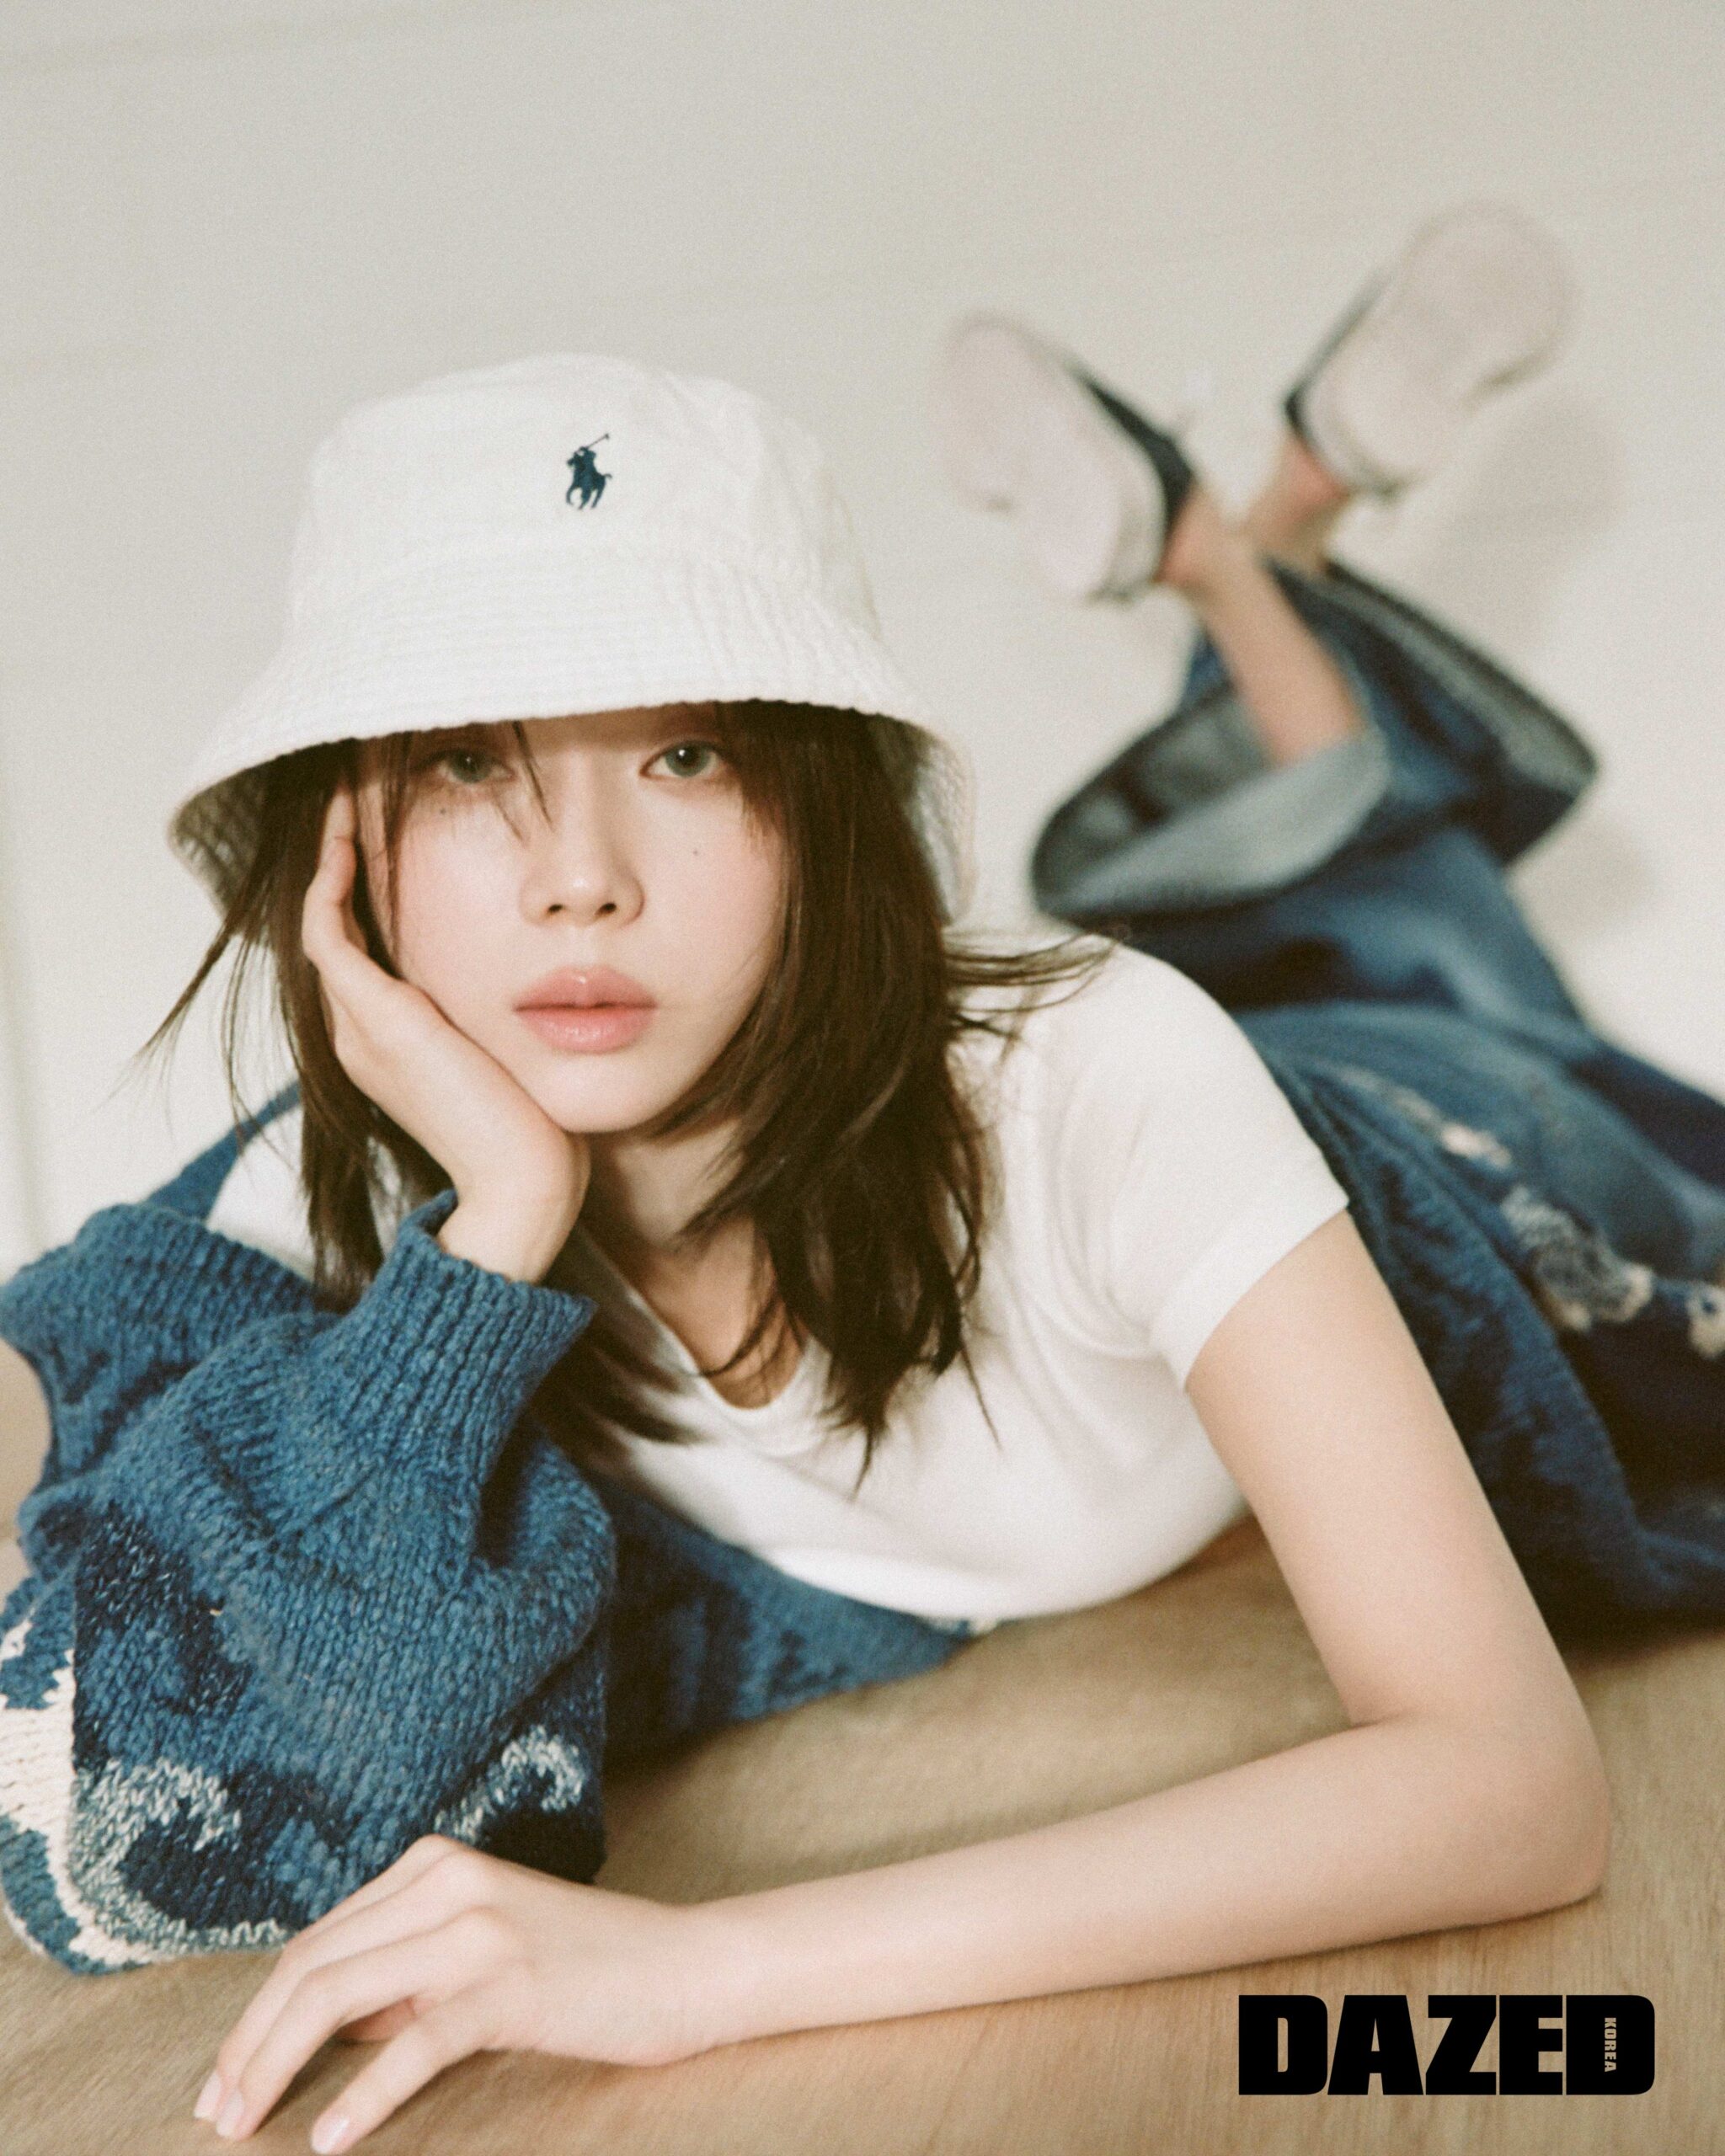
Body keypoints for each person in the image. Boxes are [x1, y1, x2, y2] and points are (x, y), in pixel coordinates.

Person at [5, 208, 1702, 2149]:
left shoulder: (1103, 1077)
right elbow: (56, 1447)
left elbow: (1510, 1783)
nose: (581, 879)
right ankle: (1245, 541)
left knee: (1425, 944)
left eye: (687, 753)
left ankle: (1251, 544)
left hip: (1425, 1129)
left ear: (818, 806)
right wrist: (497, 1235)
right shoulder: (364, 1199)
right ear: (343, 851)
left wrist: (694, 1966)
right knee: (1306, 888)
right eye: (471, 762)